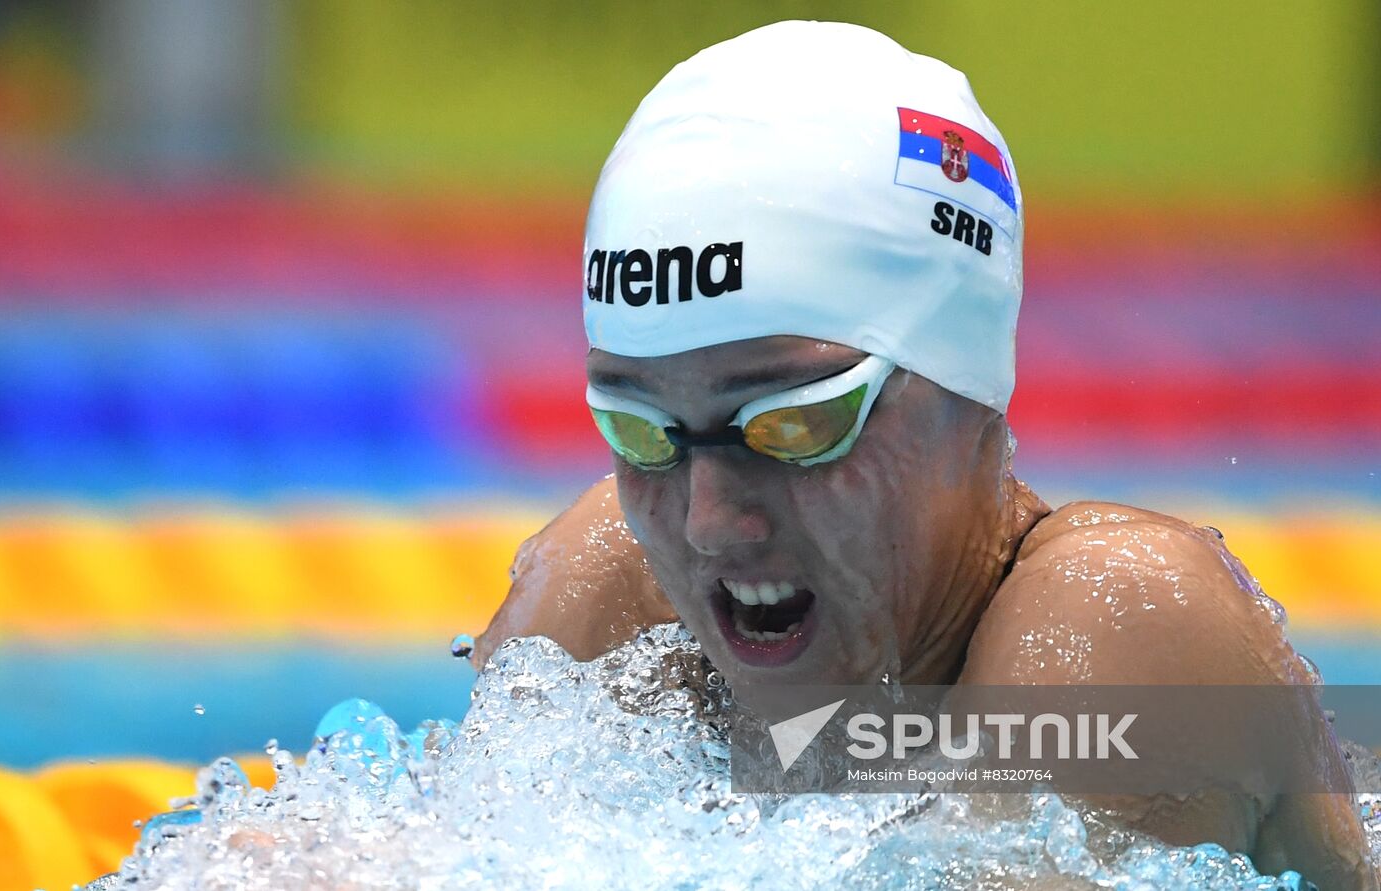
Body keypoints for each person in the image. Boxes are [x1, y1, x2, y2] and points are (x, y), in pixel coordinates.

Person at [473, 21, 1375, 888]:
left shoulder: (1119, 623)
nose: (708, 522)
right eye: (642, 433)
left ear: (963, 391)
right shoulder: (617, 606)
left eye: (795, 423)